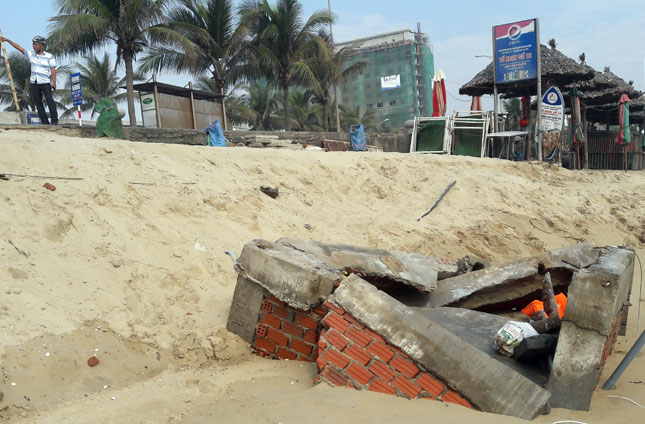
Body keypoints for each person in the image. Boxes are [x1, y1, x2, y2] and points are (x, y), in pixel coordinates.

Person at [1, 35, 58, 125]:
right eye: (33, 44)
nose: (34, 46)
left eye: (36, 44)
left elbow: (53, 69)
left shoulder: (49, 56)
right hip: (34, 83)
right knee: (38, 103)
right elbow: (19, 48)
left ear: (42, 45)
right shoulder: (31, 55)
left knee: (50, 100)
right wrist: (8, 40)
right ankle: (45, 122)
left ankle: (55, 121)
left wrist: (54, 82)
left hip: (45, 83)